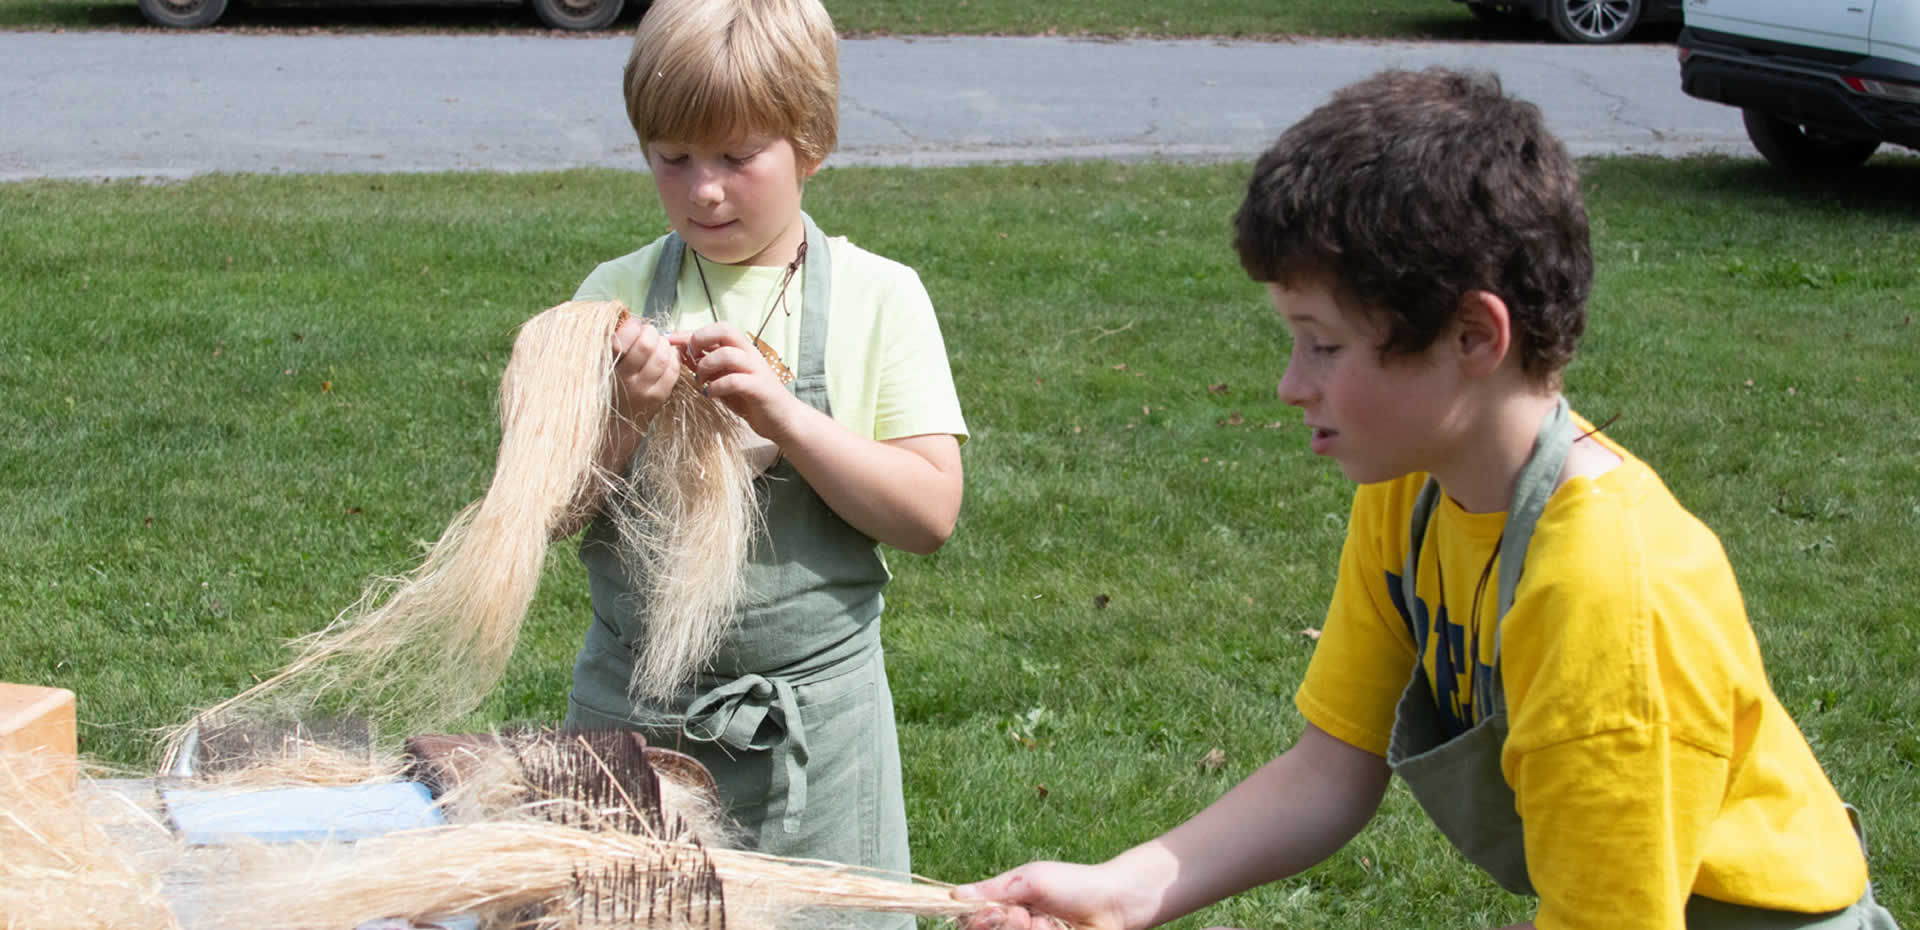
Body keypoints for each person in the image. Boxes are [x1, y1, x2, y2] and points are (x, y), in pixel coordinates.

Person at [954, 68, 1899, 930]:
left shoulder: (1611, 603)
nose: (1290, 384)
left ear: (1472, 337)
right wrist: (1124, 890)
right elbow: (1332, 768)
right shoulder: (1414, 490)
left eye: (1322, 344)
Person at [555, 0, 966, 911]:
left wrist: (790, 419)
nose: (704, 190)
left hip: (814, 745)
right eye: (672, 159)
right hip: (635, 730)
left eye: (738, 157)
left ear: (810, 142)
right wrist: (624, 416)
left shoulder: (879, 298)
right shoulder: (615, 299)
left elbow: (931, 515)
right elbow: (550, 514)